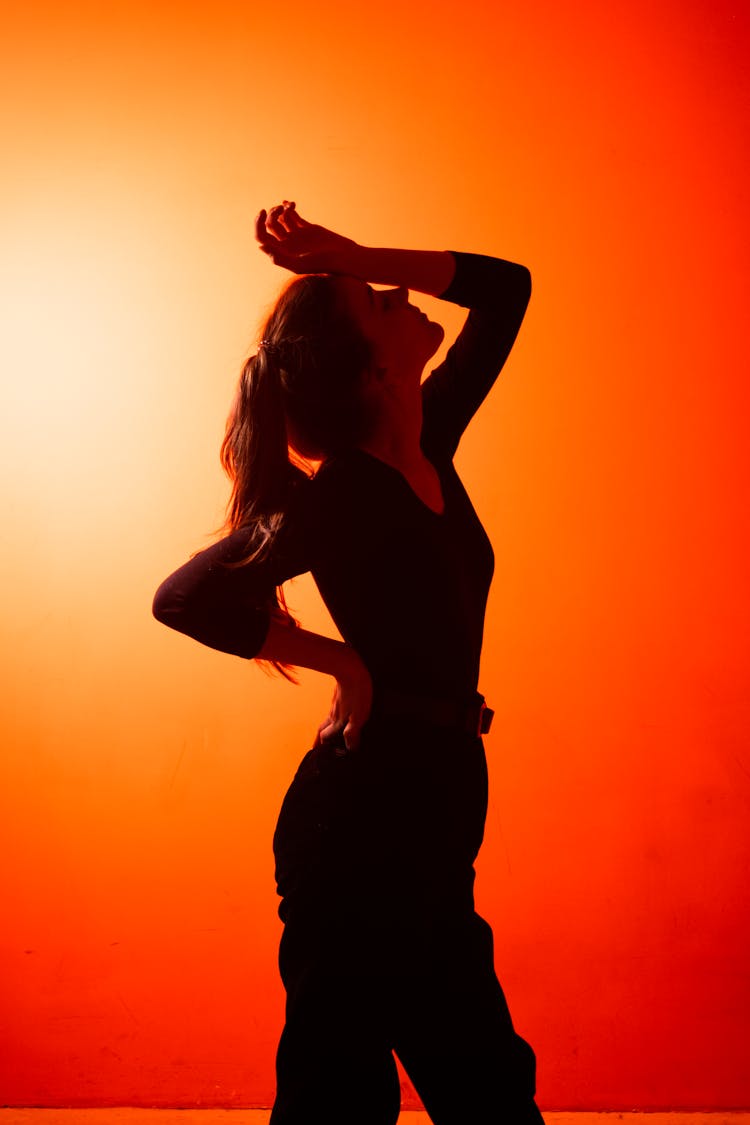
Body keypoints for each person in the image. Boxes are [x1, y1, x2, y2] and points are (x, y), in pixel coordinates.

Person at [152, 201, 541, 1125]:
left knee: (479, 1077)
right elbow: (183, 596)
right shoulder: (338, 501)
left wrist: (354, 254)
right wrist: (339, 661)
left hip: (438, 796)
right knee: (346, 1091)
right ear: (373, 365)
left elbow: (508, 288)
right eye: (378, 299)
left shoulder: (430, 437)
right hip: (361, 822)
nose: (399, 293)